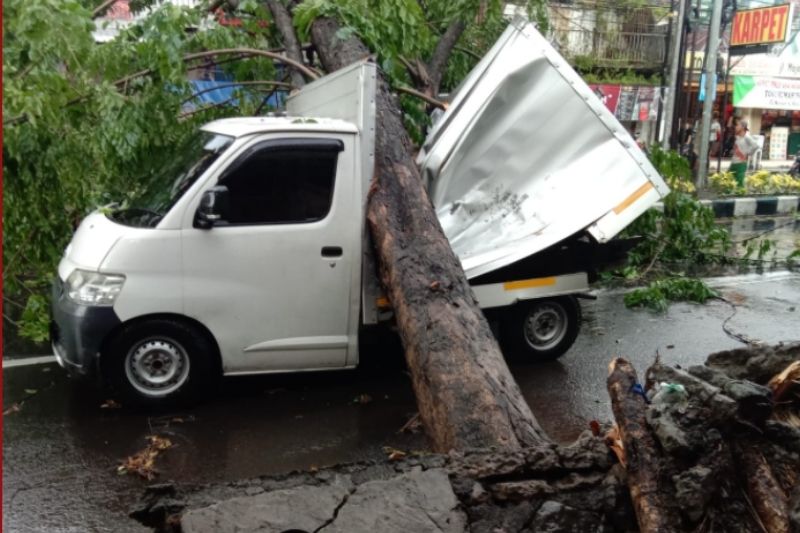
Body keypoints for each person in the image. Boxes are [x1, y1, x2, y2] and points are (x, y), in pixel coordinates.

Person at [730, 118, 759, 187]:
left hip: (741, 164)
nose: (735, 127)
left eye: (737, 125)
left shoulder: (747, 137)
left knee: (739, 184)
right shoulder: (737, 137)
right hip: (734, 162)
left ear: (743, 127)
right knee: (730, 182)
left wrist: (747, 153)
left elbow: (755, 146)